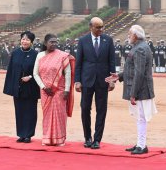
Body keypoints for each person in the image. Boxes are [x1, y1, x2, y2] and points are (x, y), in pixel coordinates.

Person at [105, 24, 157, 155]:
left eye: (129, 34)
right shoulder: (138, 47)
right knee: (139, 118)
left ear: (135, 35)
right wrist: (119, 76)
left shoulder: (140, 49)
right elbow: (132, 69)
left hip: (141, 90)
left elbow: (139, 73)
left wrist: (133, 93)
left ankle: (142, 145)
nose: (128, 36)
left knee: (141, 118)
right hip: (138, 88)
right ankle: (140, 143)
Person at [75, 17, 116, 149]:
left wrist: (112, 80)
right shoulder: (83, 41)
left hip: (102, 81)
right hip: (87, 80)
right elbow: (79, 62)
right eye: (98, 27)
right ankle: (87, 137)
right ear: (91, 27)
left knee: (101, 110)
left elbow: (112, 62)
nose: (101, 29)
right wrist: (77, 81)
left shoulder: (108, 40)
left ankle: (97, 139)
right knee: (85, 108)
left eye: (102, 27)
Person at [33, 33, 75, 146]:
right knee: (47, 115)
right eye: (51, 42)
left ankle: (59, 139)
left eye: (56, 42)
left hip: (59, 91)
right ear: (45, 43)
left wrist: (67, 90)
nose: (54, 44)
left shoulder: (62, 56)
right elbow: (35, 74)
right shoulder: (40, 55)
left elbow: (68, 74)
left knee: (59, 115)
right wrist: (43, 87)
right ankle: (47, 138)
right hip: (45, 92)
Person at [3, 31, 40, 143]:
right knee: (19, 111)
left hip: (31, 87)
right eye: (23, 39)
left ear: (31, 42)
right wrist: (10, 87)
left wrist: (30, 77)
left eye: (27, 40)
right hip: (18, 87)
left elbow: (39, 71)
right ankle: (21, 134)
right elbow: (10, 71)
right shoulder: (15, 53)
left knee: (30, 111)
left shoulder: (36, 55)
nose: (24, 41)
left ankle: (28, 135)